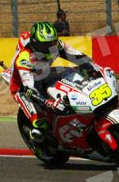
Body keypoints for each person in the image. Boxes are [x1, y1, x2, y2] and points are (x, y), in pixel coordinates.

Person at [9, 22, 101, 156]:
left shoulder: (55, 45)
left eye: (51, 43)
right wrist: (47, 102)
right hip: (23, 88)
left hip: (44, 73)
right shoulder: (24, 59)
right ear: (35, 44)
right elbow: (29, 88)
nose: (49, 48)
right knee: (40, 123)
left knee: (76, 75)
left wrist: (94, 68)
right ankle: (39, 144)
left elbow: (77, 56)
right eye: (44, 45)